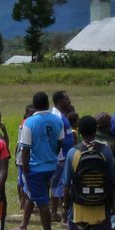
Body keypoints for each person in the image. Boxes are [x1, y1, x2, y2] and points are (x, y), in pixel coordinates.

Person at [13, 92, 64, 230]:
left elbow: (25, 149)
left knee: (42, 202)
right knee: (32, 194)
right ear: (47, 103)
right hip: (51, 165)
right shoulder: (57, 119)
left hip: (36, 168)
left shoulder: (30, 122)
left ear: (34, 105)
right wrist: (52, 154)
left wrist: (26, 168)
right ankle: (23, 226)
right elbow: (60, 142)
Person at [50, 90, 75, 222]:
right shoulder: (57, 116)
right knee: (61, 184)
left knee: (59, 184)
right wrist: (59, 156)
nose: (69, 101)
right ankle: (60, 213)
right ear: (59, 101)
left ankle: (56, 212)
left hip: (65, 154)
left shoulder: (62, 114)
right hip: (61, 156)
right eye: (66, 99)